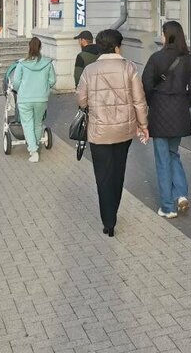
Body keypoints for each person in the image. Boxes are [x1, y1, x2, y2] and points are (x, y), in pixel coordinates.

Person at [76, 28, 149, 236]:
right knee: (118, 172)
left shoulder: (89, 70)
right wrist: (143, 125)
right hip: (123, 131)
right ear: (117, 47)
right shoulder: (129, 67)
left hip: (98, 131)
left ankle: (108, 221)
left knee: (102, 176)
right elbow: (139, 100)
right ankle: (113, 212)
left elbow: (81, 100)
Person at [142, 21, 191, 219]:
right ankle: (181, 194)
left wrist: (152, 102)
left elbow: (146, 84)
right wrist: (184, 103)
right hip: (179, 112)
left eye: (162, 33)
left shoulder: (156, 58)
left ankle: (167, 207)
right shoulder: (189, 60)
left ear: (166, 36)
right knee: (173, 153)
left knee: (162, 160)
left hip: (159, 112)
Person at [8, 37, 56, 163]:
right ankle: (35, 145)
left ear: (29, 47)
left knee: (27, 124)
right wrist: (44, 88)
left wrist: (19, 90)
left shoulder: (21, 64)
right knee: (38, 123)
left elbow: (16, 82)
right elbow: (52, 81)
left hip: (25, 99)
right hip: (41, 98)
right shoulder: (48, 63)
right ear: (40, 47)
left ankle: (33, 151)